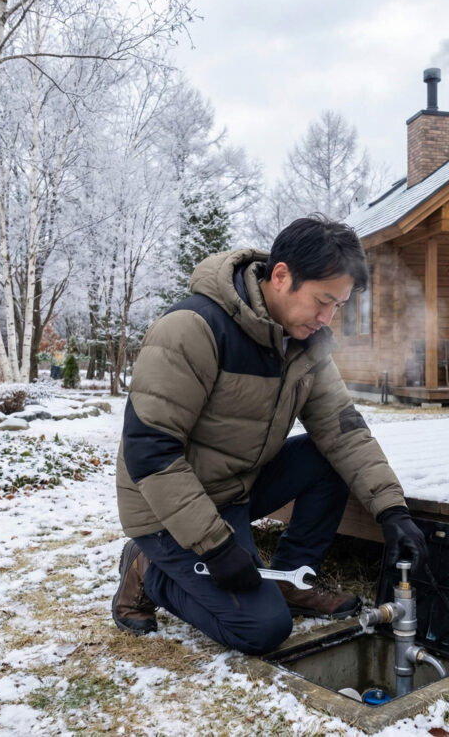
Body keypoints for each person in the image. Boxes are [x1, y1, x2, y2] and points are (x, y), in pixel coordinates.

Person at [111, 215, 427, 655]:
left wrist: (393, 511)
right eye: (322, 301)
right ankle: (150, 571)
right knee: (261, 630)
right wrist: (216, 547)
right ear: (281, 277)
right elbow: (150, 450)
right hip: (165, 508)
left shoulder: (306, 344)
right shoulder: (193, 328)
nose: (327, 317)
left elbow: (345, 431)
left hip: (236, 488)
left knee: (327, 457)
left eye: (338, 305)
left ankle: (291, 580)